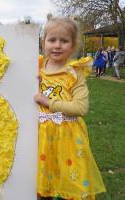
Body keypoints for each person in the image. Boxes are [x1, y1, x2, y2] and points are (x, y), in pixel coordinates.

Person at [35, 15, 106, 200]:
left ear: (73, 45)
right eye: (52, 40)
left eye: (64, 41)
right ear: (44, 42)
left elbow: (81, 107)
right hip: (39, 138)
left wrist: (49, 103)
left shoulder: (74, 72)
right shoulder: (37, 66)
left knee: (70, 183)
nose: (57, 45)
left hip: (67, 139)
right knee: (40, 184)